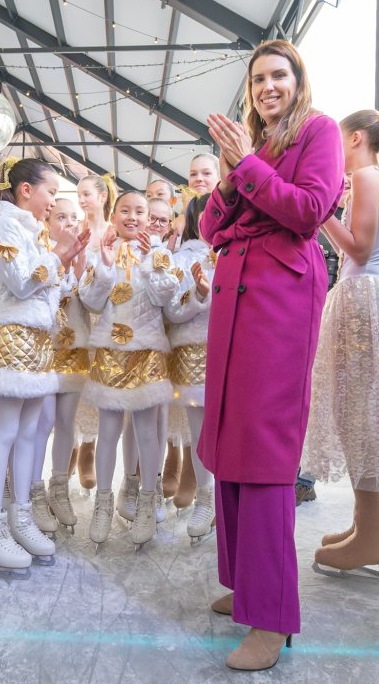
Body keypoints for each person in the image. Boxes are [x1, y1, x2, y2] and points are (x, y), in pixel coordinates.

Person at [200, 40, 344, 671]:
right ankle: (245, 587)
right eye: (258, 78)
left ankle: (273, 618)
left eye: (278, 75)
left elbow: (309, 210)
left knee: (263, 447)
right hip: (235, 299)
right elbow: (209, 228)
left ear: (297, 79)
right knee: (230, 436)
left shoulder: (320, 131)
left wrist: (246, 173)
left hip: (280, 300)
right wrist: (238, 177)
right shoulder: (252, 148)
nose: (267, 86)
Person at [303, 109, 379, 575]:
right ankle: (368, 524)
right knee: (355, 412)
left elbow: (361, 249)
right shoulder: (372, 176)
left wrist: (323, 211)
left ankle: (372, 530)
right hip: (362, 296)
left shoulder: (367, 174)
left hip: (361, 296)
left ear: (356, 138)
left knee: (357, 413)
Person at [0, 157, 87, 572]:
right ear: (25, 190)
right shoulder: (5, 224)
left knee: (31, 429)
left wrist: (63, 259)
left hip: (37, 341)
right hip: (10, 336)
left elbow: (45, 292)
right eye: (51, 191)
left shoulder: (30, 228)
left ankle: (20, 514)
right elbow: (21, 282)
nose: (54, 200)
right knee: (3, 431)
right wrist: (56, 255)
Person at [79, 191, 179, 548]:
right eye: (126, 210)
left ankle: (148, 502)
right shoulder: (99, 253)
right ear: (114, 215)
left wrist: (152, 257)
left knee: (147, 431)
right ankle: (103, 504)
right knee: (108, 431)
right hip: (110, 351)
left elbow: (166, 297)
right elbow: (89, 300)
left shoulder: (160, 254)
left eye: (141, 211)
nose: (134, 217)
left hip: (148, 352)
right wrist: (104, 265)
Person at [164, 194, 216, 541]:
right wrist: (200, 295)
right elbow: (173, 311)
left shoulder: (239, 250)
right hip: (195, 354)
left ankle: (228, 501)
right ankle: (206, 499)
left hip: (236, 351)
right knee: (200, 433)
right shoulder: (182, 258)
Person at [40, 197, 90, 533]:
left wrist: (83, 265)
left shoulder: (92, 254)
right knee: (40, 423)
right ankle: (30, 492)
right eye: (61, 216)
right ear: (48, 222)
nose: (69, 222)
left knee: (66, 422)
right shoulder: (41, 252)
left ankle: (59, 487)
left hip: (76, 348)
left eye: (75, 217)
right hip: (43, 350)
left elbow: (95, 299)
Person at [72, 173, 117, 491]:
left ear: (102, 197)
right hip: (78, 312)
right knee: (77, 389)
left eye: (87, 193)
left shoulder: (116, 232)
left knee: (102, 392)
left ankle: (91, 447)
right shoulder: (75, 231)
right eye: (79, 194)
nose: (82, 199)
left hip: (108, 317)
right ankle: (78, 446)